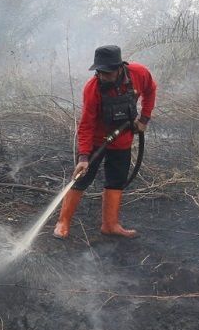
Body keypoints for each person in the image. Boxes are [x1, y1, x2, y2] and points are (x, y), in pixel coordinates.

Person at [53, 45, 157, 239]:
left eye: (108, 73)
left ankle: (110, 225)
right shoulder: (92, 89)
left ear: (120, 68)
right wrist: (84, 157)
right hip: (95, 141)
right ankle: (63, 223)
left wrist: (144, 119)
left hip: (122, 139)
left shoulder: (139, 73)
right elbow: (86, 124)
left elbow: (151, 90)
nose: (103, 76)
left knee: (116, 180)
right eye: (100, 72)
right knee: (81, 179)